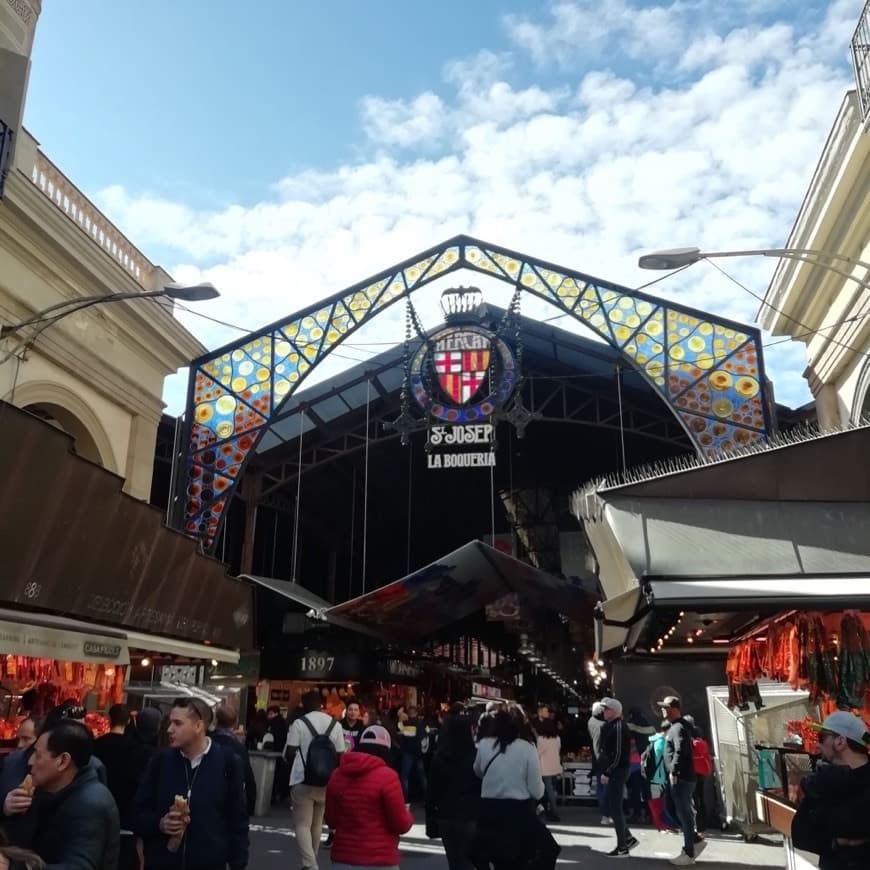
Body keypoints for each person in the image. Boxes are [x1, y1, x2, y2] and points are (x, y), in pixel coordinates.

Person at [134, 696, 249, 870]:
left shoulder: (228, 762)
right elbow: (138, 812)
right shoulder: (160, 762)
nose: (169, 729)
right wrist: (160, 823)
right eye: (170, 722)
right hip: (163, 862)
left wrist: (237, 864)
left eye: (178, 723)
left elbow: (238, 820)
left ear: (198, 726)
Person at [27, 719, 120, 869]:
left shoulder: (89, 804)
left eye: (38, 755)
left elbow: (79, 866)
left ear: (63, 761)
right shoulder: (53, 793)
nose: (30, 761)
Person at [472, 711, 558, 870]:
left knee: (496, 857)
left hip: (489, 811)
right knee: (548, 849)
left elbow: (477, 771)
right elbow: (536, 790)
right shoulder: (527, 748)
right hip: (519, 812)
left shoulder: (484, 744)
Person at [325, 726, 413, 870]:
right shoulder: (388, 777)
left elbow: (331, 820)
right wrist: (408, 814)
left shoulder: (337, 775)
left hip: (343, 858)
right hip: (380, 859)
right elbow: (400, 824)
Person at [791, 711, 870, 869]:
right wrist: (837, 842)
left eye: (822, 737)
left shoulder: (822, 783)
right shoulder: (821, 781)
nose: (818, 744)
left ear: (840, 742)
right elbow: (800, 836)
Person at [285, 691, 345, 870]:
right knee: (318, 823)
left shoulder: (299, 723)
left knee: (302, 823)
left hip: (302, 778)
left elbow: (290, 752)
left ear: (303, 704)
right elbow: (341, 754)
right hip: (327, 780)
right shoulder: (335, 725)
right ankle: (312, 861)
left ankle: (310, 864)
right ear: (322, 704)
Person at [426, 712, 481, 870]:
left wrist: (430, 814)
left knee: (454, 861)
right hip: (469, 815)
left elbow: (432, 790)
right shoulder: (475, 756)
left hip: (445, 816)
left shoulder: (439, 757)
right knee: (468, 861)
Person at [658, 695, 705, 866]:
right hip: (680, 777)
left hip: (681, 777)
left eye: (665, 707)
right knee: (674, 809)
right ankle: (693, 841)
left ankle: (689, 851)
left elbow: (681, 750)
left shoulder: (678, 728)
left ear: (674, 708)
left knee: (683, 813)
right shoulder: (676, 727)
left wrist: (675, 771)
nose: (662, 709)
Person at [599, 697, 639, 858]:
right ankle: (627, 839)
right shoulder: (615, 726)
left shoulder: (617, 727)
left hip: (617, 771)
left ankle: (623, 847)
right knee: (612, 805)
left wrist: (608, 771)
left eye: (607, 708)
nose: (604, 711)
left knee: (615, 808)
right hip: (617, 770)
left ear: (614, 711)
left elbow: (618, 754)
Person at [211, 705, 258, 818]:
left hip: (208, 796)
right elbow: (248, 777)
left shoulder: (207, 741)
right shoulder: (238, 747)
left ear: (216, 720)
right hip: (231, 799)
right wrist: (250, 806)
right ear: (235, 722)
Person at [397, 706, 428, 804]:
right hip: (419, 754)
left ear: (409, 713)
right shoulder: (422, 723)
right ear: (416, 713)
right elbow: (428, 732)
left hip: (408, 753)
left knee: (405, 777)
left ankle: (405, 800)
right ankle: (427, 798)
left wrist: (399, 717)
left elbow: (399, 729)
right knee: (422, 776)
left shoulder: (405, 723)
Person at [586, 702, 610, 825]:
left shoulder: (591, 721)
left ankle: (603, 808)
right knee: (606, 786)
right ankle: (606, 812)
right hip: (604, 759)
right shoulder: (605, 725)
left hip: (596, 759)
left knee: (600, 786)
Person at [535, 719, 562, 823]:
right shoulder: (557, 738)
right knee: (551, 790)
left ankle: (554, 812)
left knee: (547, 791)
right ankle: (551, 811)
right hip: (555, 767)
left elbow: (538, 753)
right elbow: (558, 750)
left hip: (544, 768)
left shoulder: (541, 739)